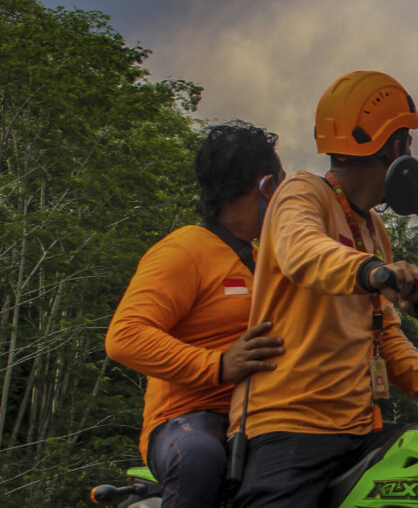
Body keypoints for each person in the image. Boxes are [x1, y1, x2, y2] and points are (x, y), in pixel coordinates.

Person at [230, 71, 418, 508]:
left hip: (359, 428)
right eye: (407, 141)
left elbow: (383, 332)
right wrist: (377, 273)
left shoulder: (373, 228)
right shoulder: (301, 193)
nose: (409, 152)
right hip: (289, 427)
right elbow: (303, 252)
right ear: (395, 146)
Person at [105, 121, 286, 508]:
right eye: (280, 183)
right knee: (199, 459)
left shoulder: (265, 262)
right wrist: (219, 365)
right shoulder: (184, 250)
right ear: (262, 183)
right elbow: (125, 336)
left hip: (262, 415)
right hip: (187, 419)